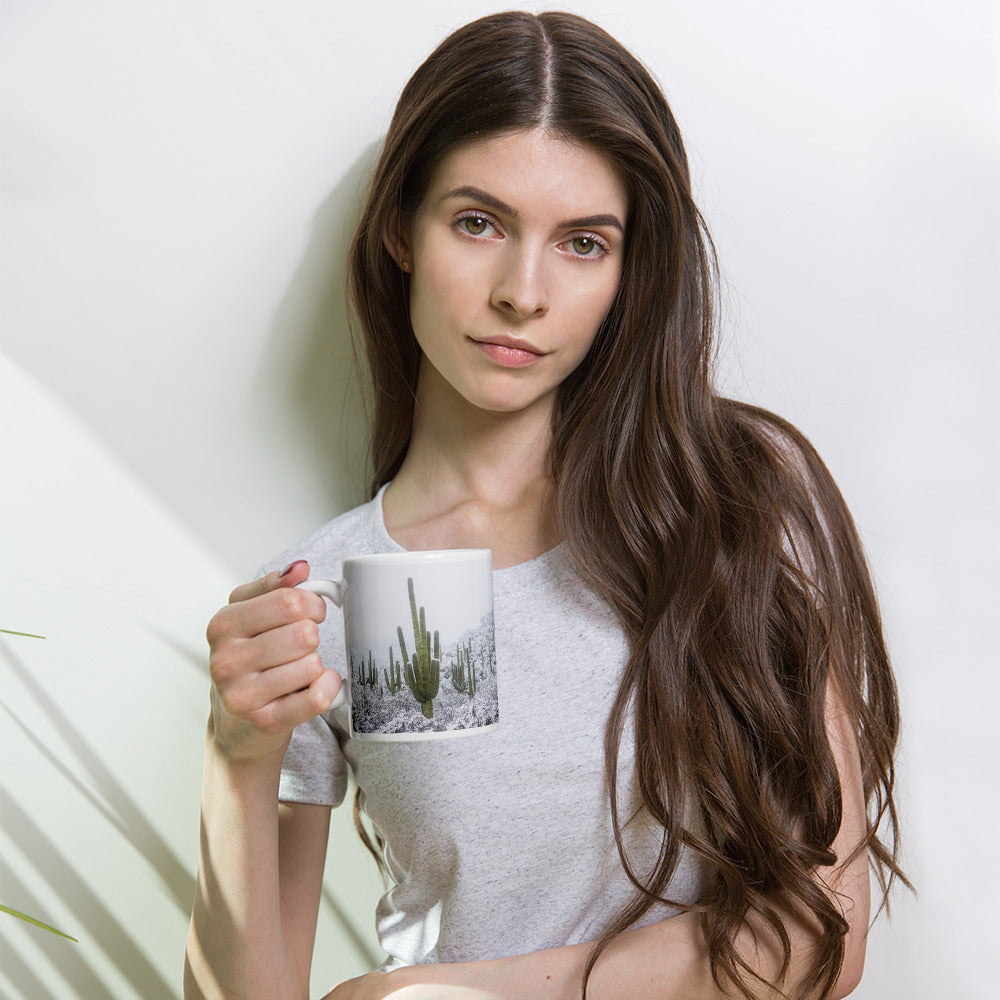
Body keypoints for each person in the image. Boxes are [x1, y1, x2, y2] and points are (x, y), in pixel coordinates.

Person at [184, 11, 907, 1000]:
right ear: (400, 227)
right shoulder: (350, 594)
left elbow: (814, 937)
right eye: (477, 222)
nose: (523, 292)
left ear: (628, 269)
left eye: (581, 242)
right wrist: (238, 760)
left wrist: (433, 995)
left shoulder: (734, 496)